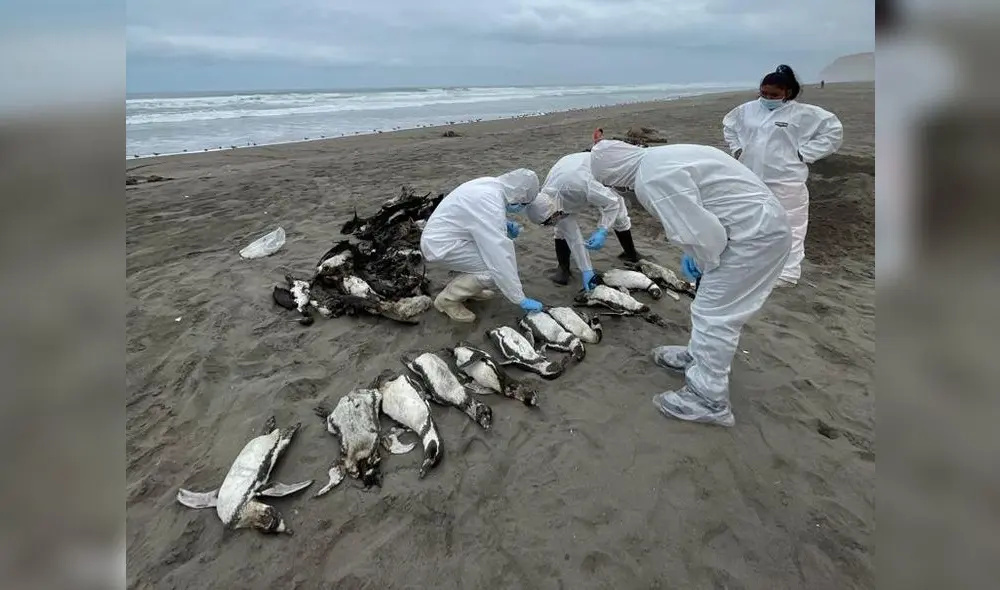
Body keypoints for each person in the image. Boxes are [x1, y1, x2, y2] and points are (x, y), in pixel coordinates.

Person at [589, 139, 792, 427]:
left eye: (612, 185)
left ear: (616, 178)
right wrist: (698, 257)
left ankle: (709, 399)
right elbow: (701, 213)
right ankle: (698, 358)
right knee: (709, 307)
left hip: (752, 239)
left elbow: (706, 236)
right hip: (757, 226)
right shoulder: (663, 156)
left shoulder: (651, 179)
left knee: (715, 315)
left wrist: (701, 262)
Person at [722, 64, 843, 286]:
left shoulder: (802, 113)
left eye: (774, 95)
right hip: (751, 177)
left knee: (791, 226)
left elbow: (832, 131)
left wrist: (804, 153)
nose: (768, 97)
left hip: (786, 180)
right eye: (764, 93)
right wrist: (736, 148)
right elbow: (729, 126)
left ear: (787, 93)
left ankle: (787, 273)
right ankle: (753, 266)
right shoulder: (747, 110)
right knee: (750, 223)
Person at [420, 168, 546, 322]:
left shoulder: (490, 184)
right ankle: (447, 300)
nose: (520, 208)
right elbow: (499, 256)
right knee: (492, 270)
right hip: (440, 245)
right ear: (518, 197)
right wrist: (519, 298)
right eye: (523, 203)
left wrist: (504, 225)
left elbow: (473, 216)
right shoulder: (490, 202)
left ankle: (470, 290)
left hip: (446, 236)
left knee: (489, 263)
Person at [524, 151, 641, 289]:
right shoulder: (548, 201)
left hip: (594, 170)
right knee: (561, 231)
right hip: (567, 169)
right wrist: (587, 270)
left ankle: (630, 254)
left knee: (619, 213)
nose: (552, 223)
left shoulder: (580, 186)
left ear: (552, 211)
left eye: (550, 220)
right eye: (547, 223)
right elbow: (573, 237)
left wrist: (602, 229)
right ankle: (563, 268)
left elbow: (612, 203)